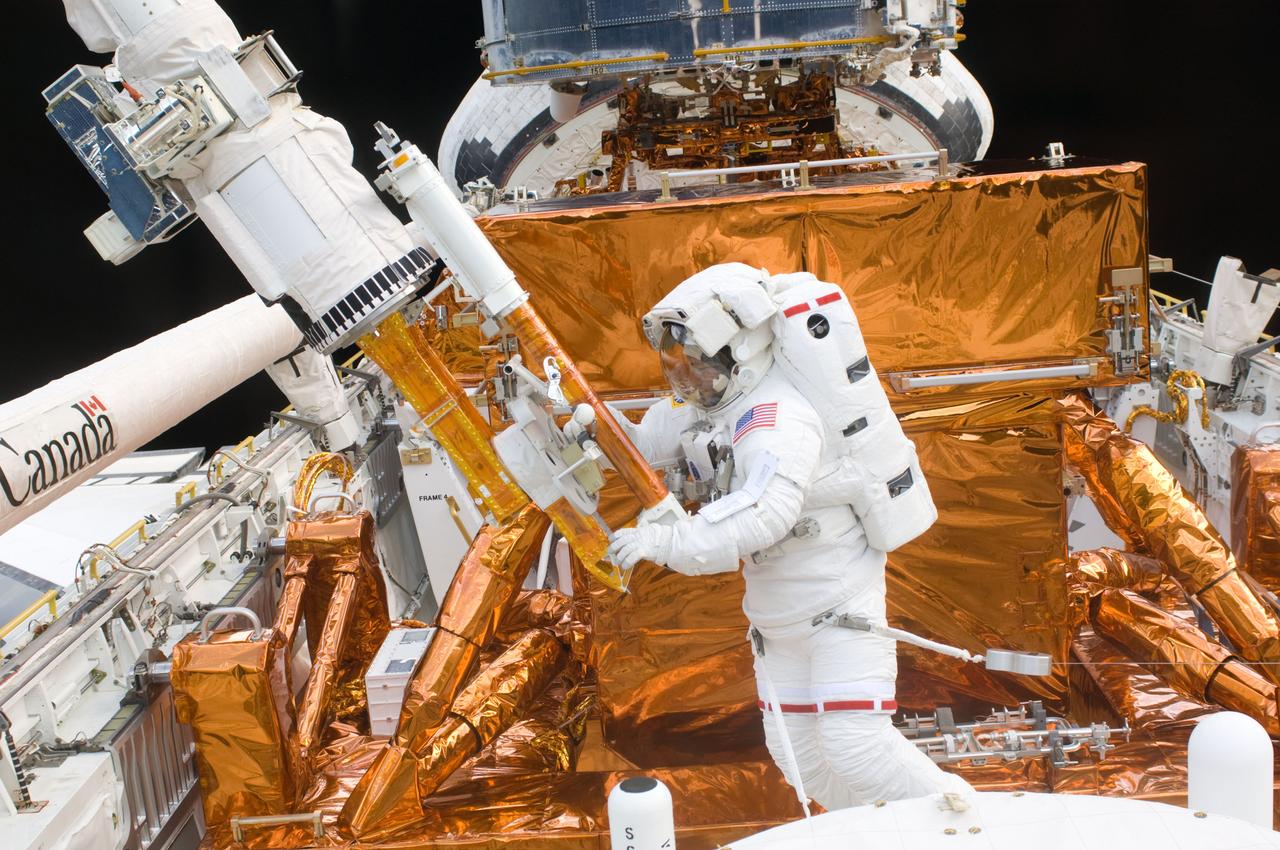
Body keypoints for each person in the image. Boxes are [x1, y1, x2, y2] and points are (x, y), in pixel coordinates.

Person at [605, 262, 973, 810]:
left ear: (742, 351)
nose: (685, 380)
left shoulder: (776, 415)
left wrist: (664, 543)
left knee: (857, 750)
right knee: (806, 769)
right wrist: (575, 420)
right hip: (776, 627)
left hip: (837, 612)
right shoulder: (711, 408)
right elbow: (642, 448)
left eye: (697, 365)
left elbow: (765, 514)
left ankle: (974, 829)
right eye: (674, 365)